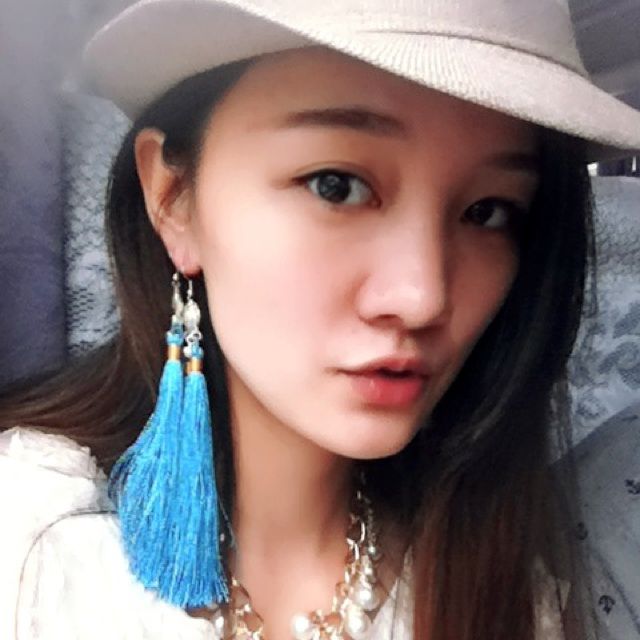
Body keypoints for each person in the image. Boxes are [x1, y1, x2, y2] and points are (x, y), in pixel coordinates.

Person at [1, 1, 640, 639]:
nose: (422, 297)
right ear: (173, 201)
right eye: (336, 185)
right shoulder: (30, 543)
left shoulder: (507, 602)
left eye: (488, 212)